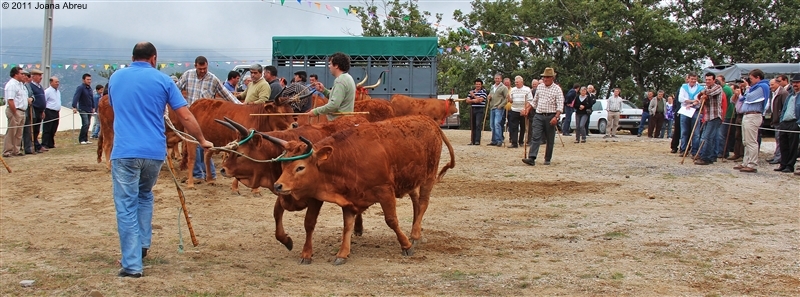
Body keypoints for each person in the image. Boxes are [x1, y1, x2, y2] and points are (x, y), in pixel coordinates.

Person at [109, 42, 212, 278]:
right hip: (154, 152)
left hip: (125, 152)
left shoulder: (116, 77)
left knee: (126, 205)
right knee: (144, 195)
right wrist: (202, 139)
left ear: (132, 57)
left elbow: (115, 107)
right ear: (154, 58)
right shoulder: (164, 80)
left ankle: (133, 264)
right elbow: (185, 115)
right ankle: (142, 245)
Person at [522, 67, 564, 166]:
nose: (545, 79)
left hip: (551, 116)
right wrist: (527, 109)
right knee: (535, 136)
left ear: (552, 78)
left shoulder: (557, 89)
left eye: (547, 77)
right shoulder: (540, 87)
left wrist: (556, 117)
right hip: (539, 115)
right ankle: (532, 157)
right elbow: (534, 101)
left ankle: (547, 158)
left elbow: (560, 105)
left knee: (550, 139)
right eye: (544, 77)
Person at [734, 69, 769, 173]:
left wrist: (748, 87)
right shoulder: (755, 87)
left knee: (751, 141)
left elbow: (749, 98)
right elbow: (743, 98)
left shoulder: (762, 87)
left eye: (751, 79)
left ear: (758, 77)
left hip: (754, 115)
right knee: (745, 141)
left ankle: (752, 164)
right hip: (747, 115)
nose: (750, 81)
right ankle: (746, 162)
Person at [305, 52, 355, 121]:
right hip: (345, 121)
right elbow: (338, 99)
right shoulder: (348, 77)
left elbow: (334, 105)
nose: (329, 66)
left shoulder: (340, 80)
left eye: (330, 64)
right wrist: (323, 90)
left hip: (338, 123)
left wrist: (316, 111)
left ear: (336, 65)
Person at [176, 56, 241, 105]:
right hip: (190, 111)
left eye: (205, 68)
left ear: (207, 65)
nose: (203, 71)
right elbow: (176, 89)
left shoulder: (213, 79)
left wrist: (240, 105)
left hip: (206, 115)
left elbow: (226, 94)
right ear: (195, 66)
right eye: (200, 69)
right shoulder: (188, 75)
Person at [695, 73, 723, 165]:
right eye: (706, 79)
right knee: (709, 138)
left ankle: (705, 157)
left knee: (707, 137)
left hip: (715, 116)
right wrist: (702, 96)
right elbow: (700, 96)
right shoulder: (706, 88)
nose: (707, 81)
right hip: (708, 116)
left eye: (709, 79)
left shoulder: (718, 87)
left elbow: (708, 93)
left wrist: (703, 94)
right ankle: (710, 157)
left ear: (714, 80)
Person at [773, 73, 800, 173]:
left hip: (794, 122)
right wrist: (781, 120)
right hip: (785, 122)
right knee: (783, 144)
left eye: (797, 82)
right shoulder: (790, 96)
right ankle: (783, 164)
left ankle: (790, 165)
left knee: (793, 145)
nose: (795, 84)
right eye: (794, 83)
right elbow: (784, 109)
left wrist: (798, 124)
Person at [3, 67, 29, 157]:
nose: (23, 75)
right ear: (16, 74)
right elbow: (10, 100)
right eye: (21, 74)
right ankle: (7, 151)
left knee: (19, 132)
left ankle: (16, 150)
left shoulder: (21, 85)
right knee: (12, 132)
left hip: (22, 110)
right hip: (14, 110)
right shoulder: (12, 85)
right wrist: (15, 113)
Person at [677, 72, 704, 156]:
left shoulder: (700, 88)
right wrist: (692, 101)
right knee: (684, 131)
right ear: (688, 79)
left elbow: (699, 100)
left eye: (695, 79)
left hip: (695, 110)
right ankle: (683, 149)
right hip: (685, 110)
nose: (693, 81)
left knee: (696, 133)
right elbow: (680, 98)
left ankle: (694, 151)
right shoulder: (683, 87)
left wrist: (690, 101)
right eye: (691, 79)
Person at [25, 69, 47, 153]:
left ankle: (37, 145)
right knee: (32, 128)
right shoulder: (30, 86)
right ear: (33, 76)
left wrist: (43, 110)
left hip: (40, 110)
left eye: (41, 75)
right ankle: (33, 145)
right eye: (39, 75)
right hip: (34, 110)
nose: (41, 77)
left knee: (37, 129)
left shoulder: (40, 87)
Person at [508, 76, 531, 148]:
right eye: (515, 82)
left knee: (523, 127)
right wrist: (508, 98)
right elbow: (511, 101)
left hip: (523, 110)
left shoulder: (527, 89)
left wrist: (525, 109)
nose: (516, 83)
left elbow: (530, 100)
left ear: (522, 82)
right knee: (514, 127)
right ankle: (514, 143)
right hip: (514, 110)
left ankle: (521, 141)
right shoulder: (513, 90)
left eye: (517, 82)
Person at [72, 73, 94, 145]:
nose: (89, 81)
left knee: (88, 124)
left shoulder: (89, 88)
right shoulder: (80, 87)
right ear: (83, 80)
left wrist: (93, 107)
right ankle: (81, 139)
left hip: (89, 108)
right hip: (82, 108)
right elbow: (76, 97)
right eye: (88, 79)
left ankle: (85, 138)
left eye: (90, 79)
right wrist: (74, 106)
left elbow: (91, 98)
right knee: (85, 123)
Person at [487, 73, 508, 146]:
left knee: (497, 124)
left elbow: (507, 98)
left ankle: (499, 140)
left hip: (499, 108)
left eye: (498, 78)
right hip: (492, 107)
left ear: (501, 79)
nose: (497, 80)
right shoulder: (492, 87)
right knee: (492, 125)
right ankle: (494, 140)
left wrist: (501, 105)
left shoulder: (504, 87)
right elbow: (490, 95)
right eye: (496, 78)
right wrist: (488, 97)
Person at [41, 76, 61, 150]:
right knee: (47, 128)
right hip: (49, 111)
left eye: (58, 82)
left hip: (56, 112)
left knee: (54, 128)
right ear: (51, 82)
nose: (57, 83)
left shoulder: (58, 91)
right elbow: (44, 101)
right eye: (56, 82)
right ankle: (44, 143)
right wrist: (43, 111)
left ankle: (51, 143)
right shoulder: (47, 91)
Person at [466, 78, 488, 145]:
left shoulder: (483, 92)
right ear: (475, 84)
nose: (477, 85)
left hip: (480, 109)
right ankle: (472, 140)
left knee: (478, 124)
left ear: (481, 85)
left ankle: (477, 140)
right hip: (473, 109)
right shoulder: (471, 91)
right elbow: (467, 100)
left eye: (479, 84)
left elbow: (480, 100)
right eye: (476, 84)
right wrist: (474, 100)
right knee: (473, 125)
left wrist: (473, 96)